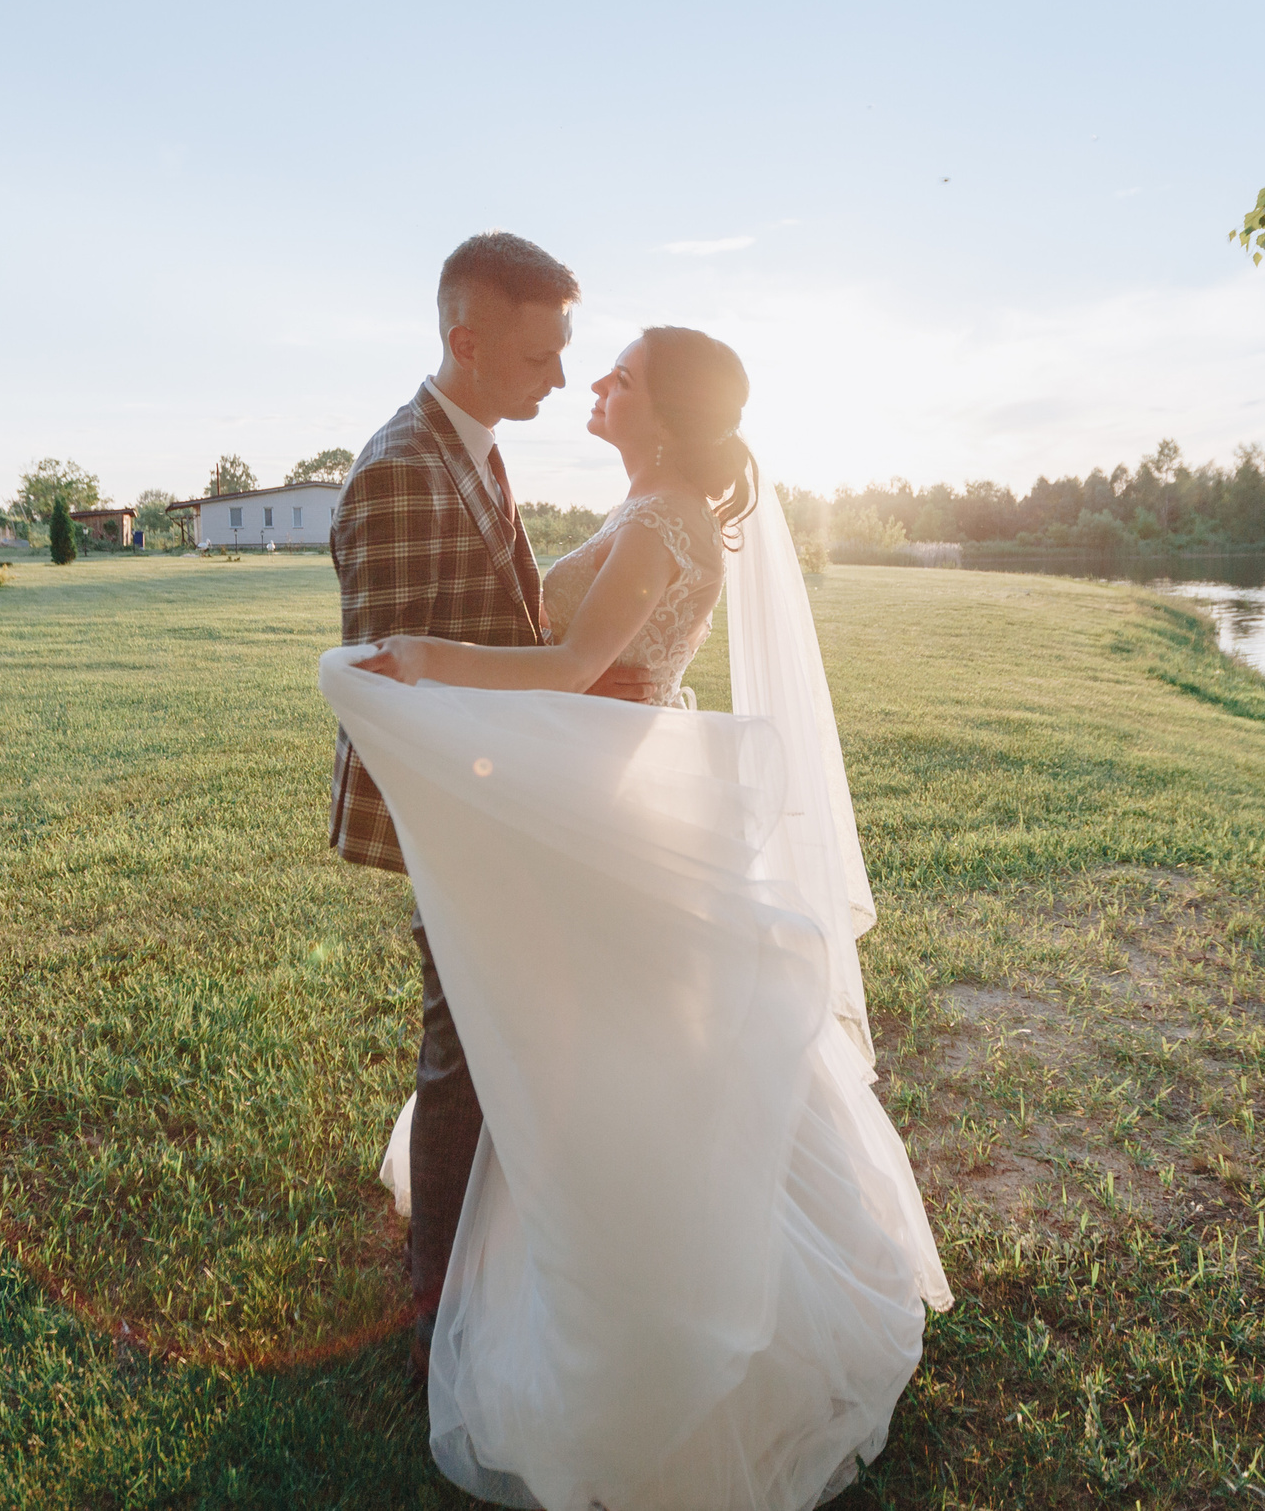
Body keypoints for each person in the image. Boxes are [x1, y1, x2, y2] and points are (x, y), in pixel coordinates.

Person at [323, 325, 950, 1510]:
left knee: (609, 1050)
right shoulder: (657, 509)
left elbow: (574, 670)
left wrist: (422, 657)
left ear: (662, 413)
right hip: (597, 793)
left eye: (620, 374)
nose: (595, 383)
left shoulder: (664, 521)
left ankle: (640, 1293)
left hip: (602, 808)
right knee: (602, 1038)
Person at [327, 232, 651, 1385]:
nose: (560, 378)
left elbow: (488, 627)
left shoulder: (472, 442)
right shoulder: (399, 469)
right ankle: (439, 1311)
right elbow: (392, 683)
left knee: (488, 1032)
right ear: (464, 342)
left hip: (501, 800)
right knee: (462, 1048)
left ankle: (485, 1263)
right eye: (537, 355)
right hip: (456, 814)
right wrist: (480, 823)